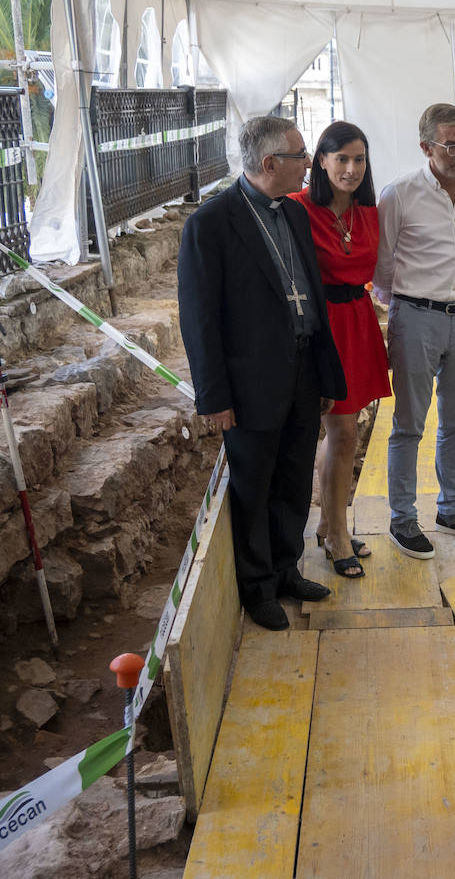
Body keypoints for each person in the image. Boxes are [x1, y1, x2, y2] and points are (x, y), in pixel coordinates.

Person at [178, 115, 346, 631]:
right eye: (300, 155)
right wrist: (213, 396)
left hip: (301, 370)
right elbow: (198, 317)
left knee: (294, 479)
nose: (309, 164)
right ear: (270, 163)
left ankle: (285, 568)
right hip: (249, 384)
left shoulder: (292, 215)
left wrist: (319, 369)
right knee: (255, 486)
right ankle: (257, 589)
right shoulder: (210, 223)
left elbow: (308, 292)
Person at [372, 103, 455, 559]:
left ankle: (452, 509)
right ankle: (403, 519)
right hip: (415, 317)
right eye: (451, 144)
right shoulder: (400, 194)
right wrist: (409, 309)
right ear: (426, 146)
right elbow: (383, 265)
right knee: (409, 424)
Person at [289, 121, 391, 579]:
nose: (351, 169)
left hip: (358, 320)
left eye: (359, 159)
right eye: (342, 159)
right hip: (318, 327)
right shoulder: (296, 209)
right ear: (322, 161)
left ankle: (331, 524)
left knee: (344, 433)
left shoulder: (370, 213)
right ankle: (335, 534)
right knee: (341, 433)